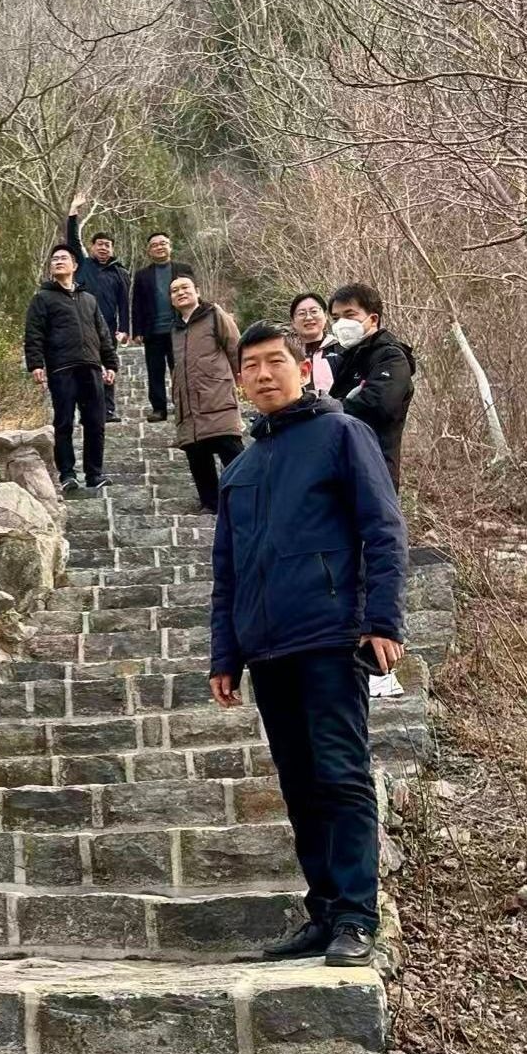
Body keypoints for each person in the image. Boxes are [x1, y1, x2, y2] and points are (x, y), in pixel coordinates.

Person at [209, 321, 407, 968]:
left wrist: (383, 620)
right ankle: (323, 912)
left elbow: (383, 529)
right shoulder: (241, 467)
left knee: (341, 775)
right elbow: (227, 570)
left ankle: (355, 915)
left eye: (275, 361)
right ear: (240, 379)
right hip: (266, 649)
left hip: (330, 635)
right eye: (251, 366)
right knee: (298, 784)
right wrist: (225, 654)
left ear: (303, 368)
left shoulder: (343, 434)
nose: (263, 374)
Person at [24, 243, 119, 492]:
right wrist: (36, 363)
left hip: (91, 367)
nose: (58, 261)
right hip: (61, 368)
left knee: (96, 422)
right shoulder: (42, 298)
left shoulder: (89, 299)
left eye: (63, 258)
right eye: (54, 259)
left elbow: (103, 334)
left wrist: (110, 363)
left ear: (75, 265)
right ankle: (67, 474)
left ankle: (94, 474)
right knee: (64, 422)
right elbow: (34, 333)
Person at [326, 282, 415, 490]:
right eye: (336, 318)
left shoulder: (391, 357)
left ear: (373, 319)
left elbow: (379, 405)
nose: (341, 324)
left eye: (349, 315)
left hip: (375, 470)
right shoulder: (347, 357)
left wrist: (327, 407)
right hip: (343, 466)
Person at [168, 273, 244, 514]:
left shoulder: (214, 314)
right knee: (196, 454)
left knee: (231, 450)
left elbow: (235, 348)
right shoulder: (175, 328)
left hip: (217, 395)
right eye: (175, 291)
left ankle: (246, 500)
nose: (180, 293)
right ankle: (210, 504)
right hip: (187, 402)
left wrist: (242, 380)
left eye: (185, 287)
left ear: (197, 291)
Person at [66, 195, 132, 422]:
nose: (103, 248)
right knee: (85, 368)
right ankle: (87, 412)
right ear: (92, 247)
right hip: (81, 326)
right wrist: (73, 212)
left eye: (107, 245)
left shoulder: (120, 272)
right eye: (100, 244)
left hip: (108, 328)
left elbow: (124, 303)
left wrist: (125, 329)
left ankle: (108, 410)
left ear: (112, 249)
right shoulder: (83, 265)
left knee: (109, 367)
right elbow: (73, 240)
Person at [130, 231, 193, 422]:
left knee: (181, 371)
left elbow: (194, 296)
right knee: (155, 372)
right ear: (149, 251)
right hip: (153, 331)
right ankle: (159, 409)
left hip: (179, 329)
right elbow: (137, 304)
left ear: (170, 246)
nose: (159, 247)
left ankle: (184, 406)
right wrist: (137, 330)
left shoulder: (184, 269)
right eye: (155, 245)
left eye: (163, 243)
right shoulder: (142, 275)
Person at [289, 290, 338, 395]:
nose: (308, 317)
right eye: (302, 313)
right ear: (293, 321)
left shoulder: (342, 349)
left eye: (314, 311)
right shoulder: (288, 353)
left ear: (325, 316)